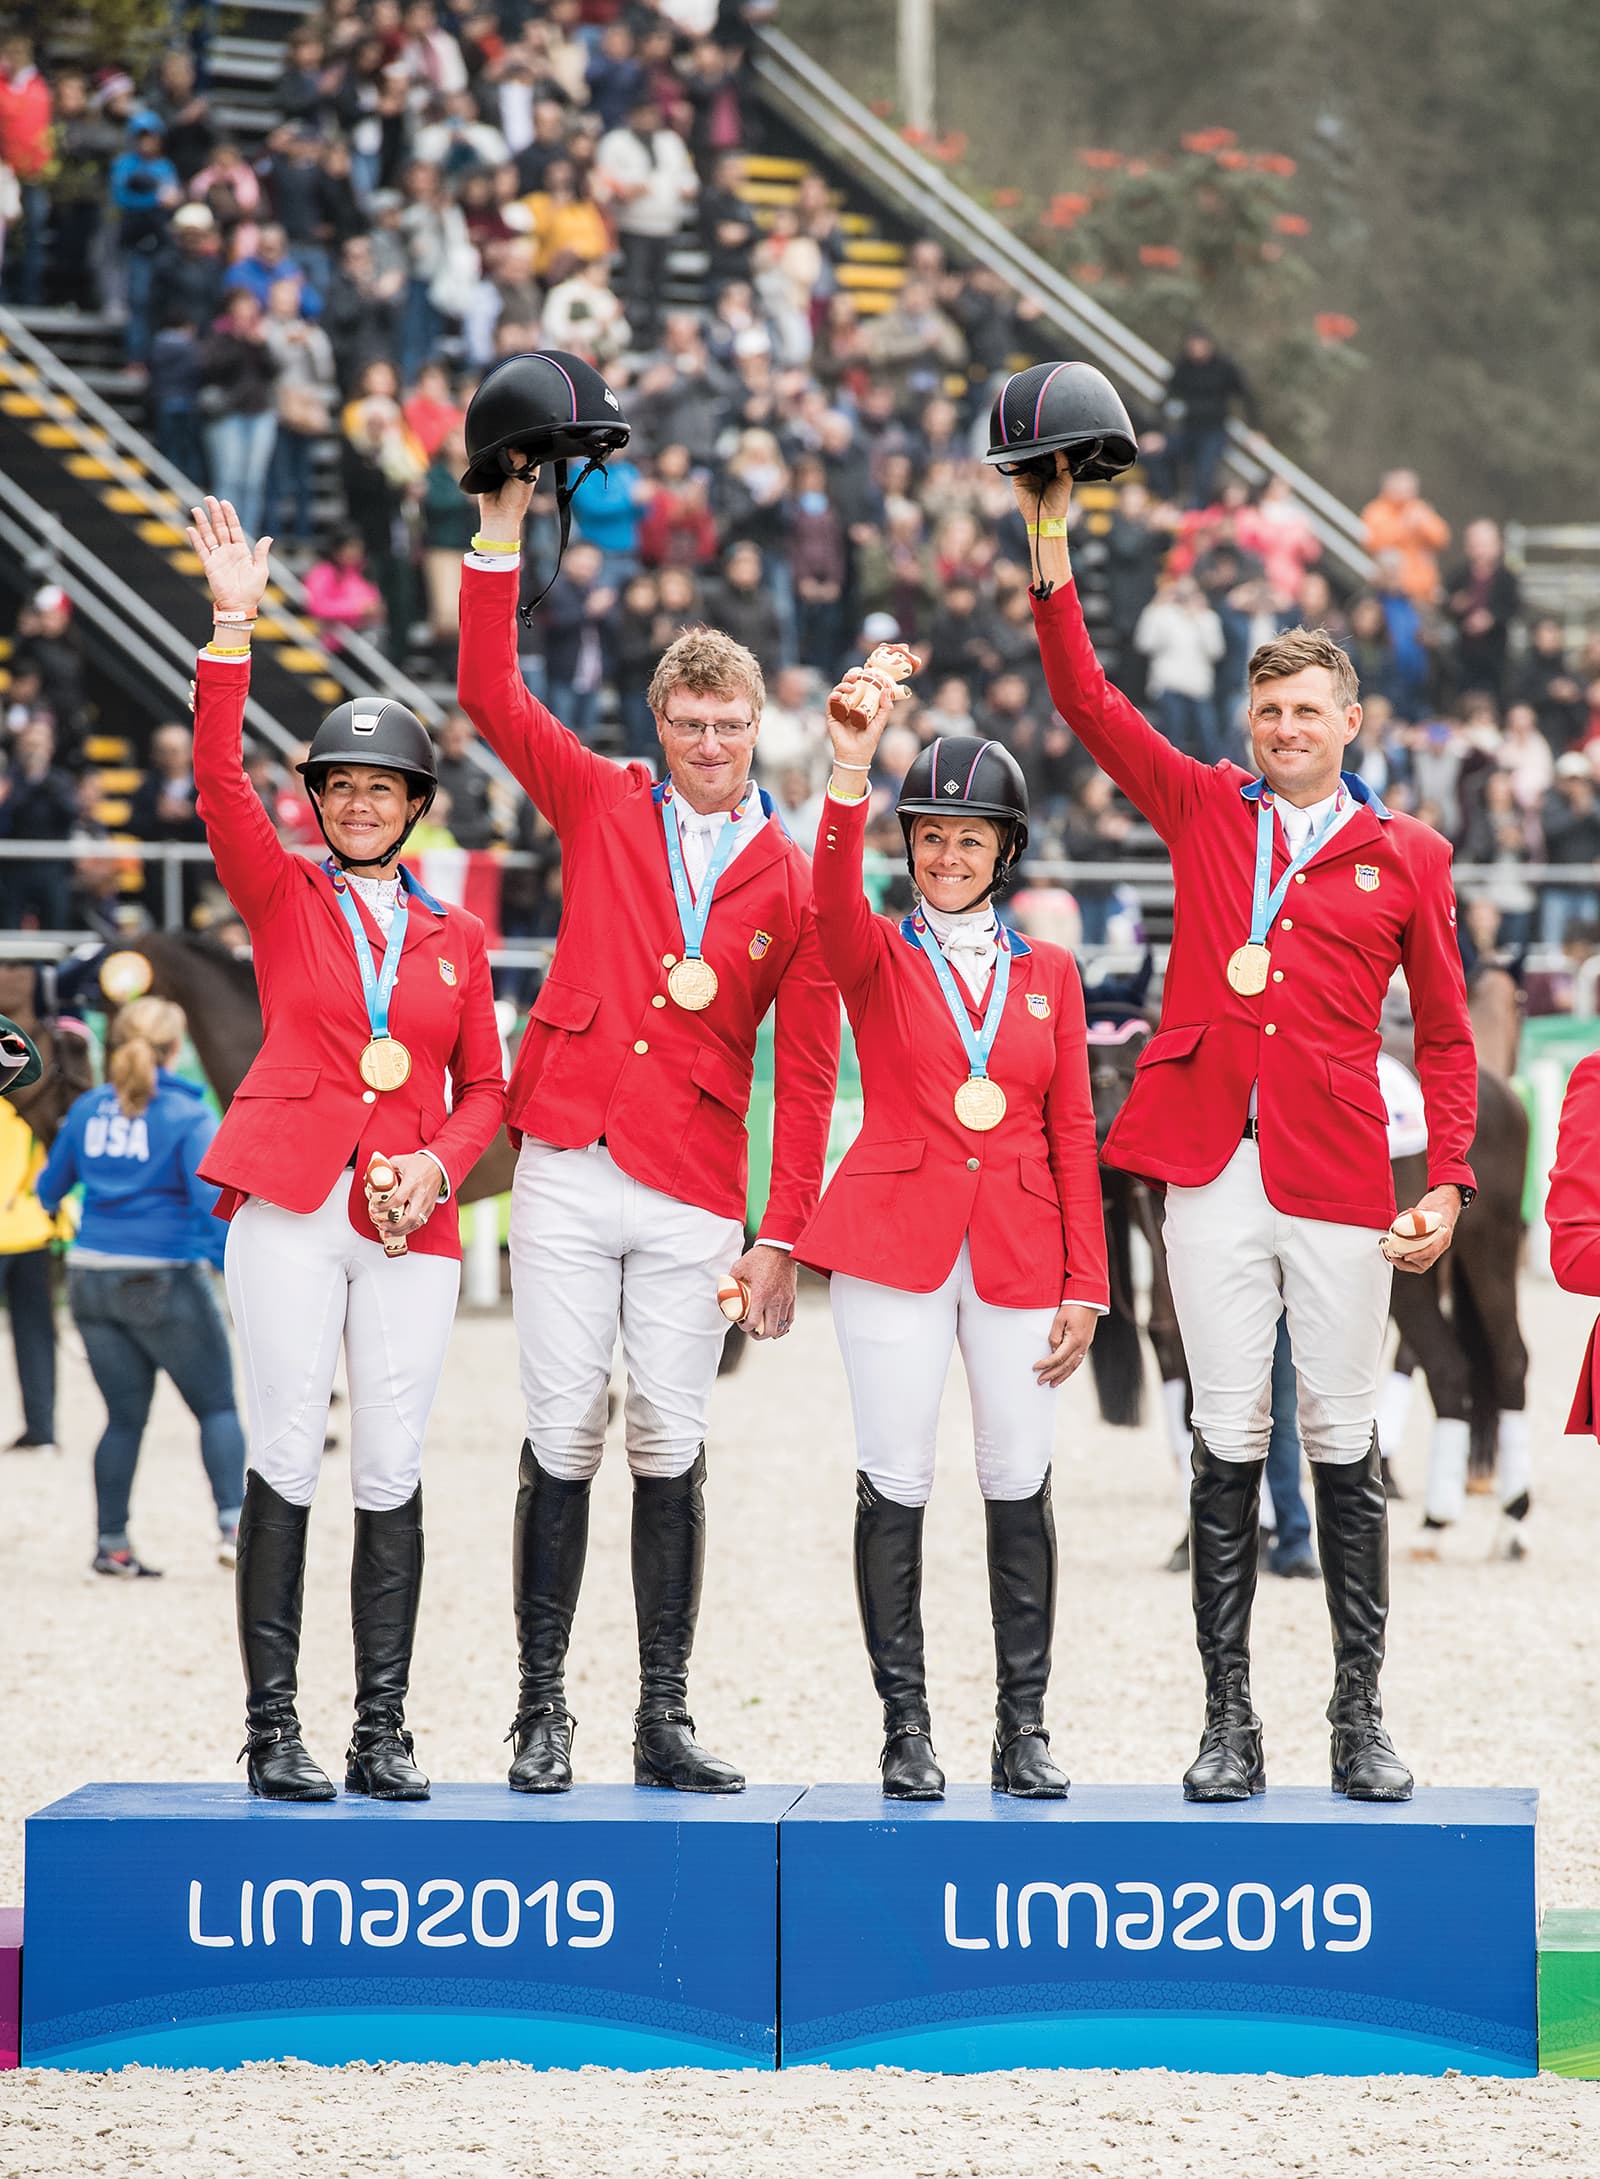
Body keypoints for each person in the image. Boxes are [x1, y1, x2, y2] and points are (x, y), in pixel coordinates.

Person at [1020, 453, 1477, 1805]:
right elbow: (1085, 699)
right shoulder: (1203, 806)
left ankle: (1357, 1717)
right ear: (1250, 719)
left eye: (1307, 710)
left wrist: (1449, 1179)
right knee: (1225, 1431)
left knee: (1341, 1434)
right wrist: (1051, 543)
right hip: (1210, 1165)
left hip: (1339, 1170)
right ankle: (1228, 1720)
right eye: (1268, 708)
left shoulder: (1410, 856)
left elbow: (1447, 1038)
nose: (1285, 726)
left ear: (1351, 722)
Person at [457, 450, 840, 1799]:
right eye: (689, 722)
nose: (710, 744)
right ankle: (539, 1710)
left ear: (759, 728)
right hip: (568, 1152)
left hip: (691, 1184)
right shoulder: (602, 797)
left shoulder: (795, 876)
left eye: (729, 724)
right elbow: (490, 692)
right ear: (658, 720)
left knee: (668, 1440)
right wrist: (498, 533)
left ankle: (661, 1714)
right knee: (563, 1430)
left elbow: (810, 1071)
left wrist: (783, 1232)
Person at [186, 494, 505, 1803]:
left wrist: (439, 1163)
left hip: (408, 1217)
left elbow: (488, 1088)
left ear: (415, 804)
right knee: (281, 1448)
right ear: (316, 801)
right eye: (341, 787)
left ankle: (384, 1727)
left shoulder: (456, 938)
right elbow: (218, 782)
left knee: (392, 1460)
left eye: (381, 788)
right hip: (290, 1201)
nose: (360, 803)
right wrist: (232, 630)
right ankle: (274, 1726)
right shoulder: (281, 892)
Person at [798, 679, 1108, 1801]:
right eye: (930, 835)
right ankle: (906, 1727)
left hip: (1022, 1247)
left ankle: (1023, 1728)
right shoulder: (875, 953)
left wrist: (1088, 1280)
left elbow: (1070, 1129)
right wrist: (850, 769)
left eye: (969, 838)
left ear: (1004, 850)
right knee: (896, 1476)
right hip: (894, 1244)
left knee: (1018, 1474)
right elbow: (829, 896)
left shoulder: (1051, 974)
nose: (947, 855)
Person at [36, 998, 246, 1578]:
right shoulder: (187, 1114)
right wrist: (236, 1273)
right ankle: (234, 1528)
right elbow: (212, 1205)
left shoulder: (86, 1109)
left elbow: (49, 1189)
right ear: (176, 1048)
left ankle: (112, 1544)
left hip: (89, 1277)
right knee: (217, 1407)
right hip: (163, 1275)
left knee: (123, 1419)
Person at [0, 1097, 62, 1455]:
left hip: (22, 1231)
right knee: (36, 1334)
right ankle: (42, 1430)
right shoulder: (32, 1110)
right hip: (30, 1229)